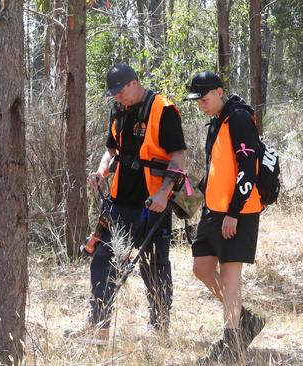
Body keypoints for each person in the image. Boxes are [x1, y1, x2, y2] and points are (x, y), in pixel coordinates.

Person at [86, 63, 187, 341]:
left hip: (152, 205)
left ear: (134, 83)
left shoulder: (162, 110)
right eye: (114, 94)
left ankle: (159, 326)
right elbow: (111, 151)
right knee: (103, 258)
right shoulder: (118, 110)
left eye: (120, 91)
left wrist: (163, 193)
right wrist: (100, 171)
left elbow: (178, 157)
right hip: (118, 203)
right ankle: (98, 324)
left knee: (154, 266)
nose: (117, 97)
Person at [183, 71, 266, 364]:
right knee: (202, 267)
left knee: (231, 278)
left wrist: (234, 212)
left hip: (238, 211)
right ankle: (245, 320)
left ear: (219, 92)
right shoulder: (218, 121)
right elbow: (217, 168)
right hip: (213, 210)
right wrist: (189, 201)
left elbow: (249, 167)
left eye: (204, 99)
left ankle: (232, 344)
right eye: (198, 101)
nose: (201, 105)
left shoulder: (240, 119)